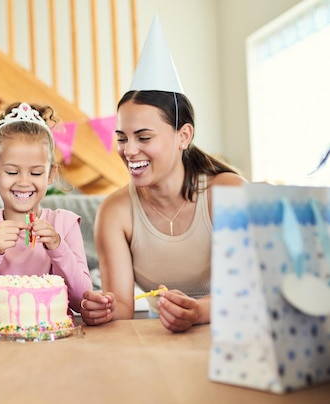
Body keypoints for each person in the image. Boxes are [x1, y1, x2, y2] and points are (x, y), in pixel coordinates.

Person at [79, 16, 246, 332]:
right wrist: (102, 309)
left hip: (236, 335)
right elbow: (123, 308)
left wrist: (196, 312)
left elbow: (246, 292)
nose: (129, 151)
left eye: (144, 137)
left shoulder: (227, 192)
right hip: (165, 338)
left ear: (184, 136)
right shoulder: (115, 212)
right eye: (122, 137)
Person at [0, 102, 93, 323]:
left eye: (36, 173)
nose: (23, 182)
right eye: (11, 171)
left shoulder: (64, 224)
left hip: (53, 346)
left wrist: (58, 248)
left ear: (50, 175)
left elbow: (82, 300)